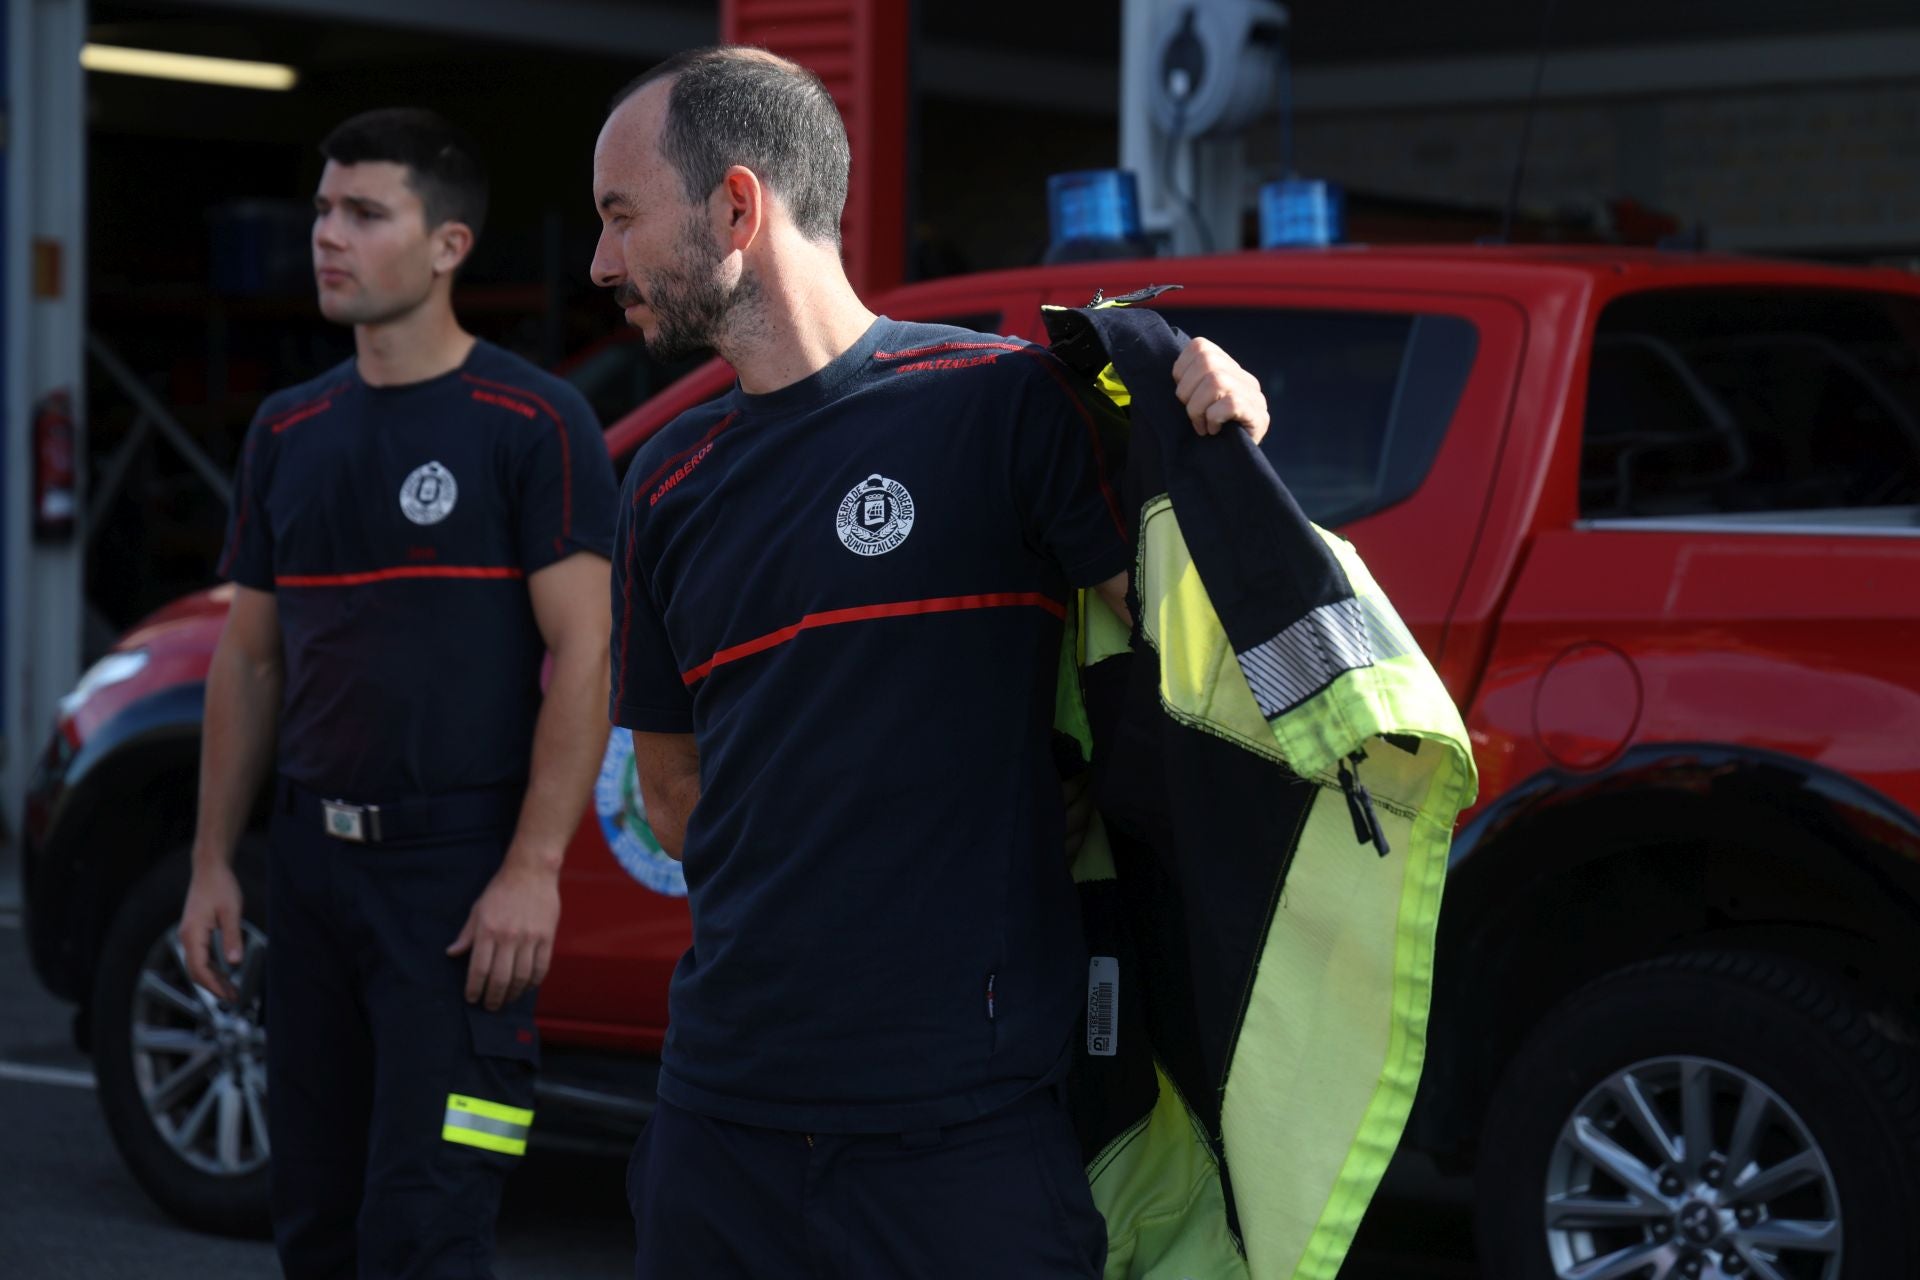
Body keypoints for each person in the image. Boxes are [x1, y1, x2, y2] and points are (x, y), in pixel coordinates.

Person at [593, 47, 1267, 1278]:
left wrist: (1222, 447)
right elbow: (672, 798)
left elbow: (1197, 653)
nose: (600, 262)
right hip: (719, 1120)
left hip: (964, 1130)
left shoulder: (998, 405)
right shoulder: (662, 484)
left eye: (621, 215)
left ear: (737, 207)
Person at [178, 108, 617, 1279]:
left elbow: (587, 652)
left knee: (430, 1227)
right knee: (314, 1224)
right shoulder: (287, 429)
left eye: (365, 213)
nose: (327, 234)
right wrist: (212, 861)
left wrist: (532, 868)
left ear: (448, 245)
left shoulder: (534, 422)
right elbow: (250, 659)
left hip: (457, 888)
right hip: (310, 873)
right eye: (324, 209)